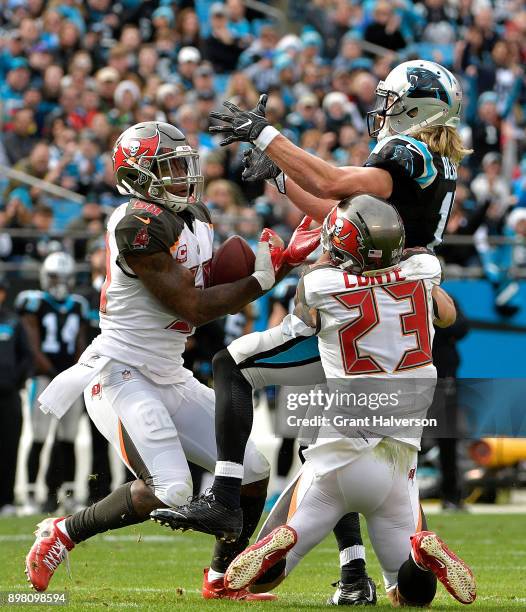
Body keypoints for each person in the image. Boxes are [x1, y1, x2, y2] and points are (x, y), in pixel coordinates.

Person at [157, 59, 471, 605]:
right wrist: (280, 175)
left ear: (417, 107)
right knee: (362, 461)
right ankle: (365, 575)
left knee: (236, 366)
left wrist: (267, 135)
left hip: (357, 305)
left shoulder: (409, 153)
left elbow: (332, 189)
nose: (382, 110)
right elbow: (338, 211)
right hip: (407, 323)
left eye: (391, 100)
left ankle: (228, 494)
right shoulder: (432, 170)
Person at [24, 121, 313, 601]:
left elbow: (208, 284)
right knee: (173, 488)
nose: (182, 177)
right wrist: (264, 279)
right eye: (169, 168)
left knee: (253, 468)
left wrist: (279, 263)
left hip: (168, 371)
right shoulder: (136, 224)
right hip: (119, 371)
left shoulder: (194, 213)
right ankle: (62, 532)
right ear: (137, 177)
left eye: (184, 166)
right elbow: (192, 306)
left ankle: (221, 578)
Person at [222, 195, 476, 608]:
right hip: (399, 459)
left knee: (264, 577)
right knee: (411, 595)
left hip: (339, 453)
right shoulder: (422, 272)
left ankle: (288, 538)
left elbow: (306, 318)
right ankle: (421, 556)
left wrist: (315, 260)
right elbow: (447, 315)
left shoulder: (320, 286)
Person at [16, 252, 88, 514]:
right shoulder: (32, 302)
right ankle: (33, 494)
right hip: (45, 378)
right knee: (39, 437)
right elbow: (32, 343)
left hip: (69, 377)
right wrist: (58, 372)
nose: (59, 282)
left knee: (68, 438)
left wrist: (76, 372)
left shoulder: (78, 304)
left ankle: (66, 494)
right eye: (55, 276)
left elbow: (80, 343)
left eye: (64, 277)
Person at [0, 276, 34, 516]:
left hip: (8, 396)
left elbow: (27, 356)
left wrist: (15, 381)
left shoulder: (12, 321)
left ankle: (7, 500)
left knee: (9, 448)